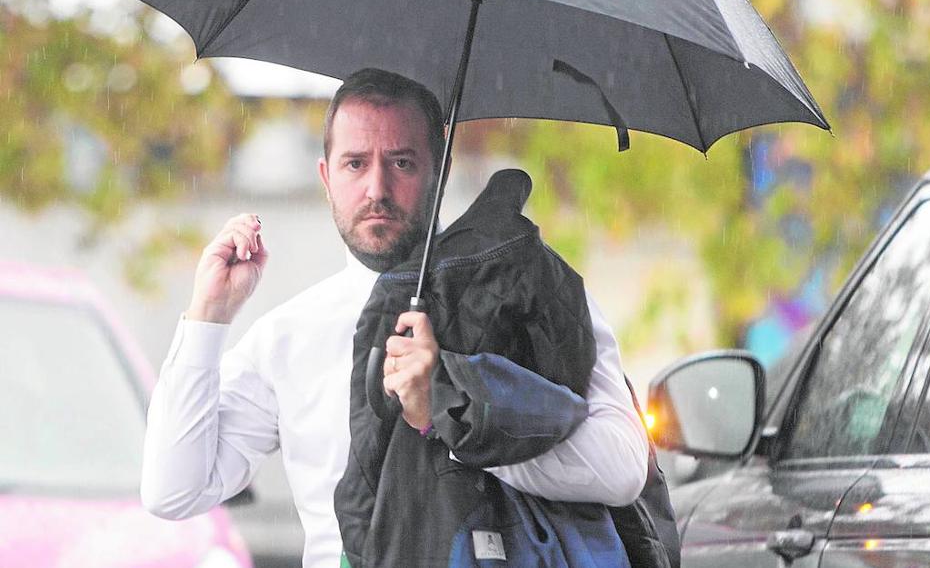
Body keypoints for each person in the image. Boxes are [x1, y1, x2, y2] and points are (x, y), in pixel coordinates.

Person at [141, 68, 650, 568]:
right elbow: (175, 490)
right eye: (355, 164)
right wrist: (208, 316)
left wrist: (452, 411)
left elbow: (621, 469)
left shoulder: (531, 289)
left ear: (441, 169)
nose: (377, 189)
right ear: (326, 176)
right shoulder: (288, 336)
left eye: (402, 162)